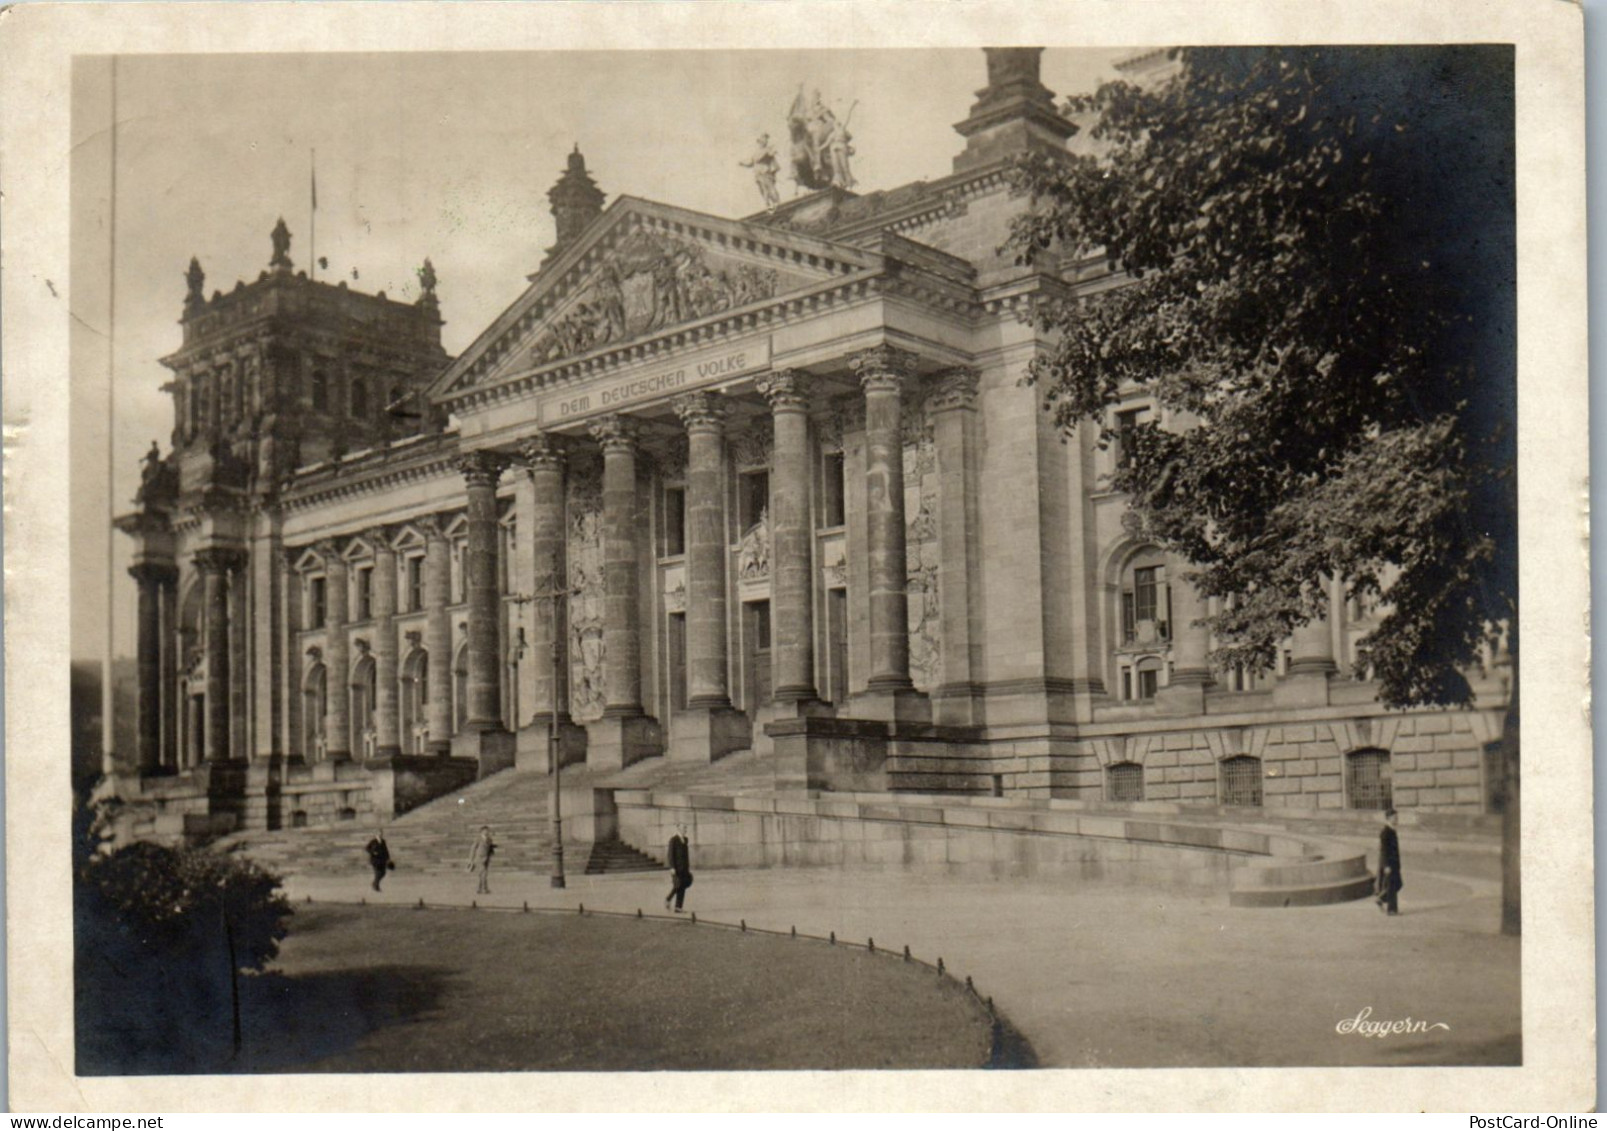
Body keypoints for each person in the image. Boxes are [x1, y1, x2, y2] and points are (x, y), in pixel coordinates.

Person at [740, 134, 781, 211]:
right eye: (762, 140)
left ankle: (777, 203)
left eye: (765, 140)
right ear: (759, 142)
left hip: (765, 171)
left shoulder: (768, 150)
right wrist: (743, 164)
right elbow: (751, 163)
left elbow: (771, 155)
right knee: (762, 190)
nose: (764, 142)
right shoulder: (755, 153)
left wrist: (774, 151)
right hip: (757, 173)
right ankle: (768, 206)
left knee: (770, 187)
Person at [1376, 807, 1403, 915]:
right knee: (1392, 886)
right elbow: (1384, 850)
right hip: (1389, 864)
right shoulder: (1385, 832)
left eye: (1397, 817)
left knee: (1398, 884)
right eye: (1394, 817)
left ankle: (1381, 899)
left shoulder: (1392, 830)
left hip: (1394, 863)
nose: (1396, 819)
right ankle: (1391, 910)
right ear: (1388, 818)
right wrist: (1386, 865)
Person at [665, 824, 693, 913]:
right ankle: (668, 899)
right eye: (683, 828)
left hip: (684, 867)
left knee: (683, 885)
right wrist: (672, 867)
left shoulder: (685, 840)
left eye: (686, 827)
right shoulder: (673, 840)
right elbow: (670, 855)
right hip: (676, 868)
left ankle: (678, 907)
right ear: (678, 828)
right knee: (678, 885)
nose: (685, 829)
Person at [467, 825, 496, 895]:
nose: (486, 832)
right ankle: (484, 888)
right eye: (485, 831)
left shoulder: (489, 839)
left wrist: (492, 851)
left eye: (487, 831)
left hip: (487, 858)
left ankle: (479, 888)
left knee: (482, 874)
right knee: (483, 874)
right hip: (479, 858)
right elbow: (473, 849)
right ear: (481, 831)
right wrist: (471, 859)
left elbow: (490, 848)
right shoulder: (478, 839)